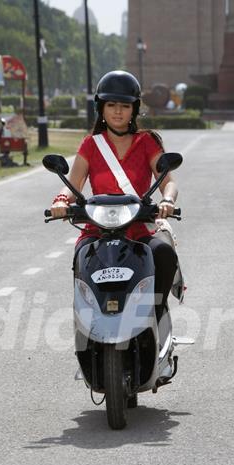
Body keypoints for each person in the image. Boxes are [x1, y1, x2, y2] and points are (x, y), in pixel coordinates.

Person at [49, 70, 179, 322]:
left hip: (139, 228)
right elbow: (73, 184)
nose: (118, 112)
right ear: (101, 107)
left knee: (163, 253)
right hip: (98, 229)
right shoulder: (90, 144)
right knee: (82, 257)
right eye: (111, 105)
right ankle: (88, 322)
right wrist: (61, 201)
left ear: (134, 109)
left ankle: (157, 312)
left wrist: (167, 201)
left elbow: (169, 182)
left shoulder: (148, 142)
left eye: (124, 106)